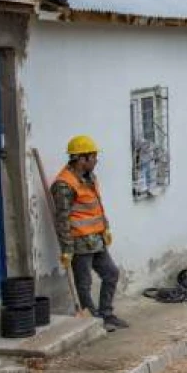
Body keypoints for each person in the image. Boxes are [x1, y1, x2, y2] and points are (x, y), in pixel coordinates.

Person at [52, 135, 129, 332]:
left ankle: (106, 314)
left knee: (111, 273)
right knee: (84, 283)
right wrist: (67, 249)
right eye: (93, 157)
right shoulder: (64, 184)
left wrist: (106, 228)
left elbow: (96, 206)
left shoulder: (89, 177)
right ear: (81, 158)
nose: (96, 161)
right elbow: (62, 219)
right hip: (79, 242)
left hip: (96, 239)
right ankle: (93, 321)